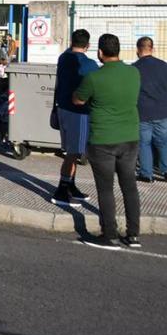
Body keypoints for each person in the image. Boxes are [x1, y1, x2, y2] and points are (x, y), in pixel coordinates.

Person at [73, 34, 142, 250]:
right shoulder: (134, 73)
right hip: (130, 137)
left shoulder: (94, 77)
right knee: (129, 186)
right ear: (119, 50)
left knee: (105, 189)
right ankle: (133, 235)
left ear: (100, 53)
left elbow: (79, 99)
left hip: (103, 139)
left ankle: (109, 234)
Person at [51, 30, 99, 206]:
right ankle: (62, 189)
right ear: (88, 45)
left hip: (63, 109)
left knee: (73, 150)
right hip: (79, 112)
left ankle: (70, 185)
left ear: (72, 42)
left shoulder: (64, 58)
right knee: (73, 153)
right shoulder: (88, 64)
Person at [132, 37, 167, 183]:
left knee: (144, 142)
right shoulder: (165, 66)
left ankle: (146, 174)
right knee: (163, 141)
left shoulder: (134, 68)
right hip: (163, 110)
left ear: (138, 49)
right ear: (153, 48)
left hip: (143, 110)